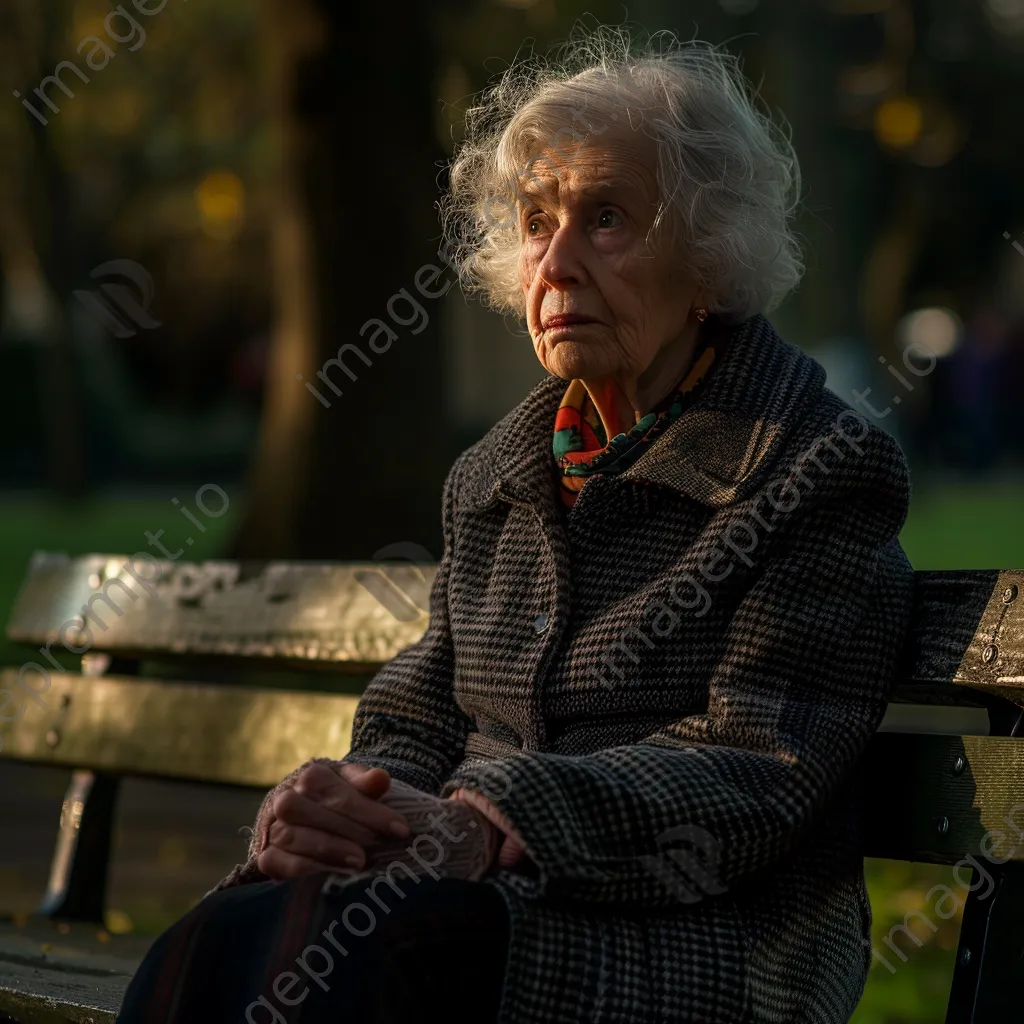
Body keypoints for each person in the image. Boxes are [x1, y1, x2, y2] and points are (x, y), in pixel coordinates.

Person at [118, 24, 914, 1024]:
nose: (558, 261)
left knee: (346, 961)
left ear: (709, 254)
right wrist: (345, 809)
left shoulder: (811, 470)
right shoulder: (496, 473)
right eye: (538, 221)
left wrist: (489, 821)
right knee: (215, 943)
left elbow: (758, 761)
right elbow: (418, 711)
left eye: (608, 219)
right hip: (464, 902)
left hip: (698, 941)